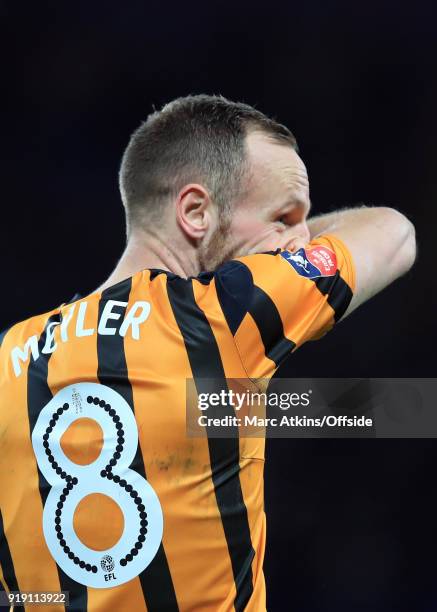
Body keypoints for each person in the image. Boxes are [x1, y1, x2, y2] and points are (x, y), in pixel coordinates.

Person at [0, 95, 415, 612]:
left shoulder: (8, 355)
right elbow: (394, 233)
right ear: (196, 212)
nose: (300, 241)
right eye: (284, 217)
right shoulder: (219, 315)